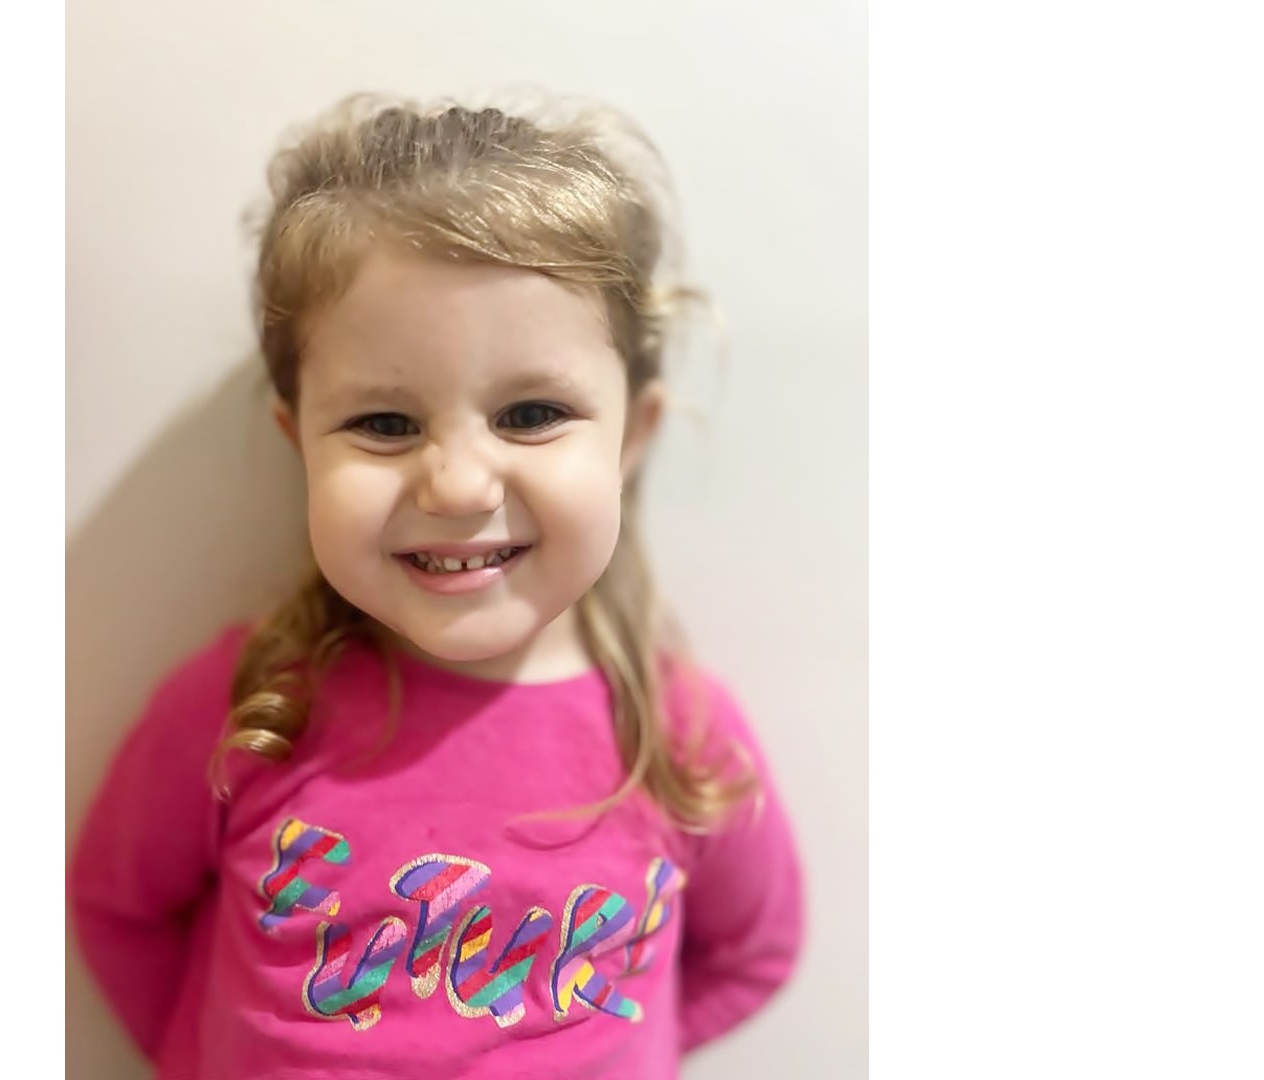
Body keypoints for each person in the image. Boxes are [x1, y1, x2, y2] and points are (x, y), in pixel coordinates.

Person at [70, 94, 804, 1078]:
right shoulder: (247, 707)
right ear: (300, 443)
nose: (458, 486)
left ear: (632, 436)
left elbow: (753, 952)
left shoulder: (681, 740)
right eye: (385, 424)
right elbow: (120, 907)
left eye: (531, 414)